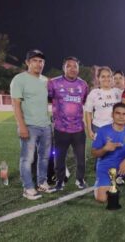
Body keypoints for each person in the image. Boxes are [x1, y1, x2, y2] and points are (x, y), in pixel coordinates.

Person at [10, 49, 54, 200]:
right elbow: (15, 105)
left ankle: (42, 183)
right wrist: (21, 126)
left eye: (41, 61)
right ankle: (28, 188)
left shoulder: (45, 81)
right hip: (29, 125)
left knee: (44, 158)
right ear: (27, 62)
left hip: (46, 126)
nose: (38, 63)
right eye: (34, 60)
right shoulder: (19, 79)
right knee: (27, 159)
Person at [48, 56, 89, 190]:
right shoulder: (53, 83)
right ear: (64, 68)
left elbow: (84, 102)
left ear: (78, 69)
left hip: (78, 129)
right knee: (59, 159)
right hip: (61, 129)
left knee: (81, 159)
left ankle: (80, 179)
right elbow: (46, 99)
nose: (72, 69)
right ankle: (60, 181)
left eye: (75, 66)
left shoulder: (83, 85)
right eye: (69, 66)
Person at [92, 103, 125, 203]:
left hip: (122, 164)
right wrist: (105, 149)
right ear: (112, 115)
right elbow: (94, 153)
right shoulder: (103, 131)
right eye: (118, 113)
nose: (121, 116)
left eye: (124, 114)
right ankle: (105, 182)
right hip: (106, 166)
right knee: (102, 199)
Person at [85, 67, 122, 140]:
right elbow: (88, 112)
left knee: (115, 150)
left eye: (109, 76)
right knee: (101, 150)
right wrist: (89, 130)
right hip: (98, 128)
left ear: (112, 78)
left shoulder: (118, 92)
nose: (106, 79)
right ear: (98, 78)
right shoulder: (94, 93)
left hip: (115, 127)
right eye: (103, 76)